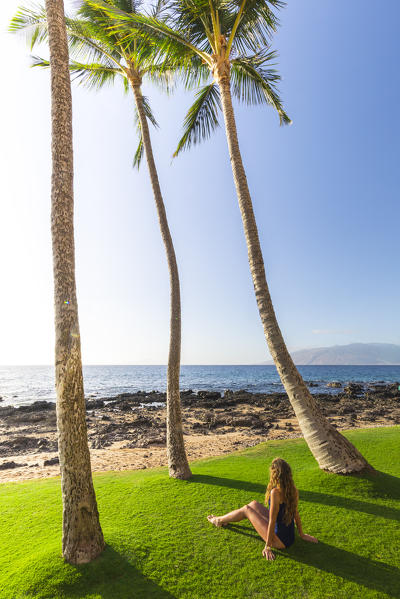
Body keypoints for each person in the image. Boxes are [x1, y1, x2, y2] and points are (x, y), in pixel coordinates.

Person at [207, 457, 318, 561]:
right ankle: (223, 520)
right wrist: (301, 534)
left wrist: (268, 546)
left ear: (275, 474)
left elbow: (272, 520)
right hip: (289, 536)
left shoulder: (276, 493)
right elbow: (296, 514)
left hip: (279, 540)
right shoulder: (293, 490)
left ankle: (218, 520)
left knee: (247, 509)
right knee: (253, 504)